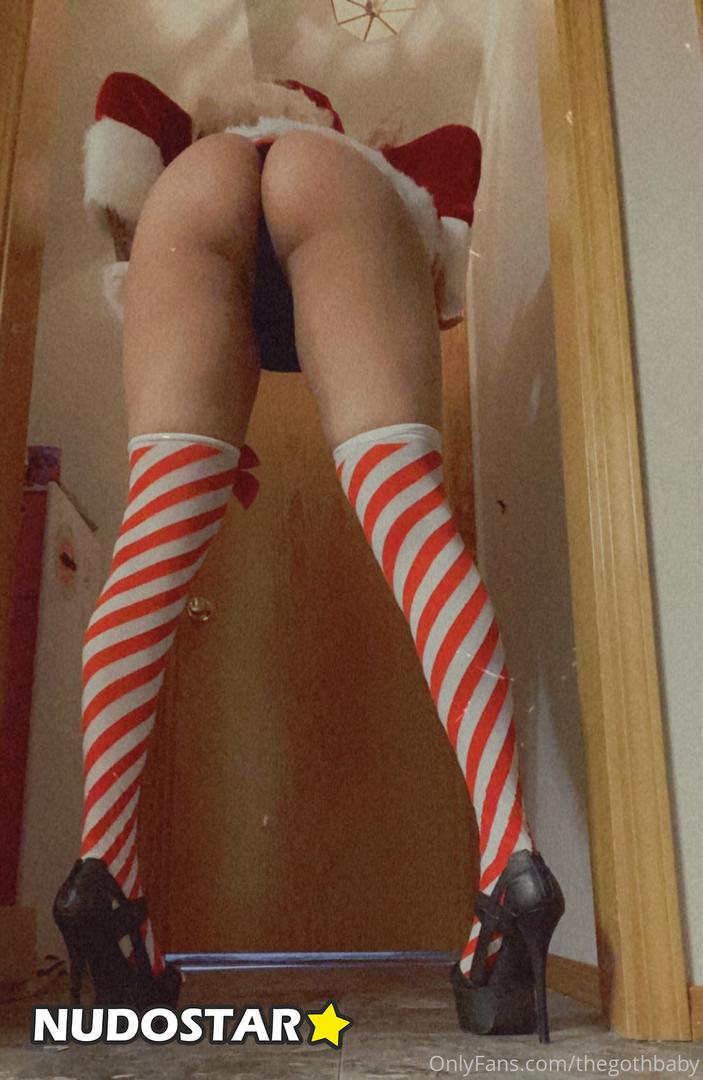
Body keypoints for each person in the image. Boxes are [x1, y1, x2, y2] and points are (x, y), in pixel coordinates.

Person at [52, 73, 564, 1042]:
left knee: (154, 524)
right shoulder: (341, 156)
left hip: (189, 192)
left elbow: (119, 93)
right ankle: (512, 862)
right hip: (338, 188)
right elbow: (454, 156)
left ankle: (102, 871)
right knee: (407, 513)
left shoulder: (200, 152)